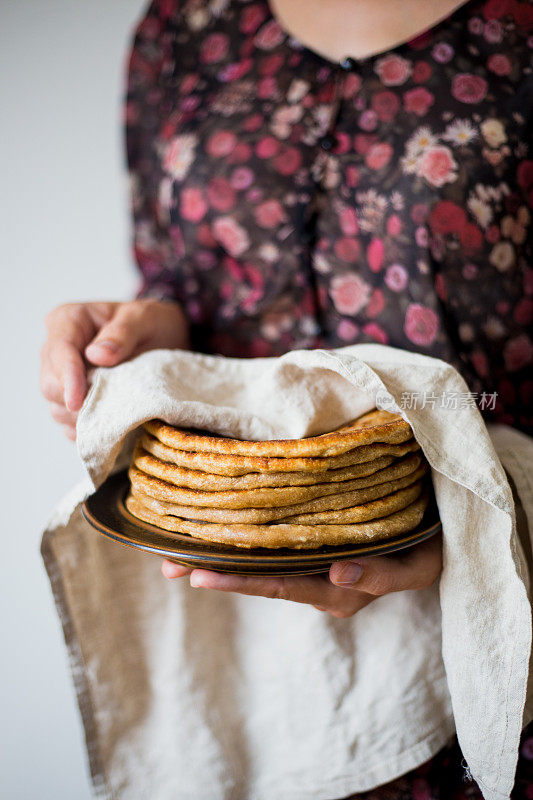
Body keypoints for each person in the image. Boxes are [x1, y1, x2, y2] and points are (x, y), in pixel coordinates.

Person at [40, 0, 533, 795]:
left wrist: (491, 513)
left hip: (503, 638)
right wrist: (143, 333)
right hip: (249, 668)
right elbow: (180, 281)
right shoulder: (184, 26)